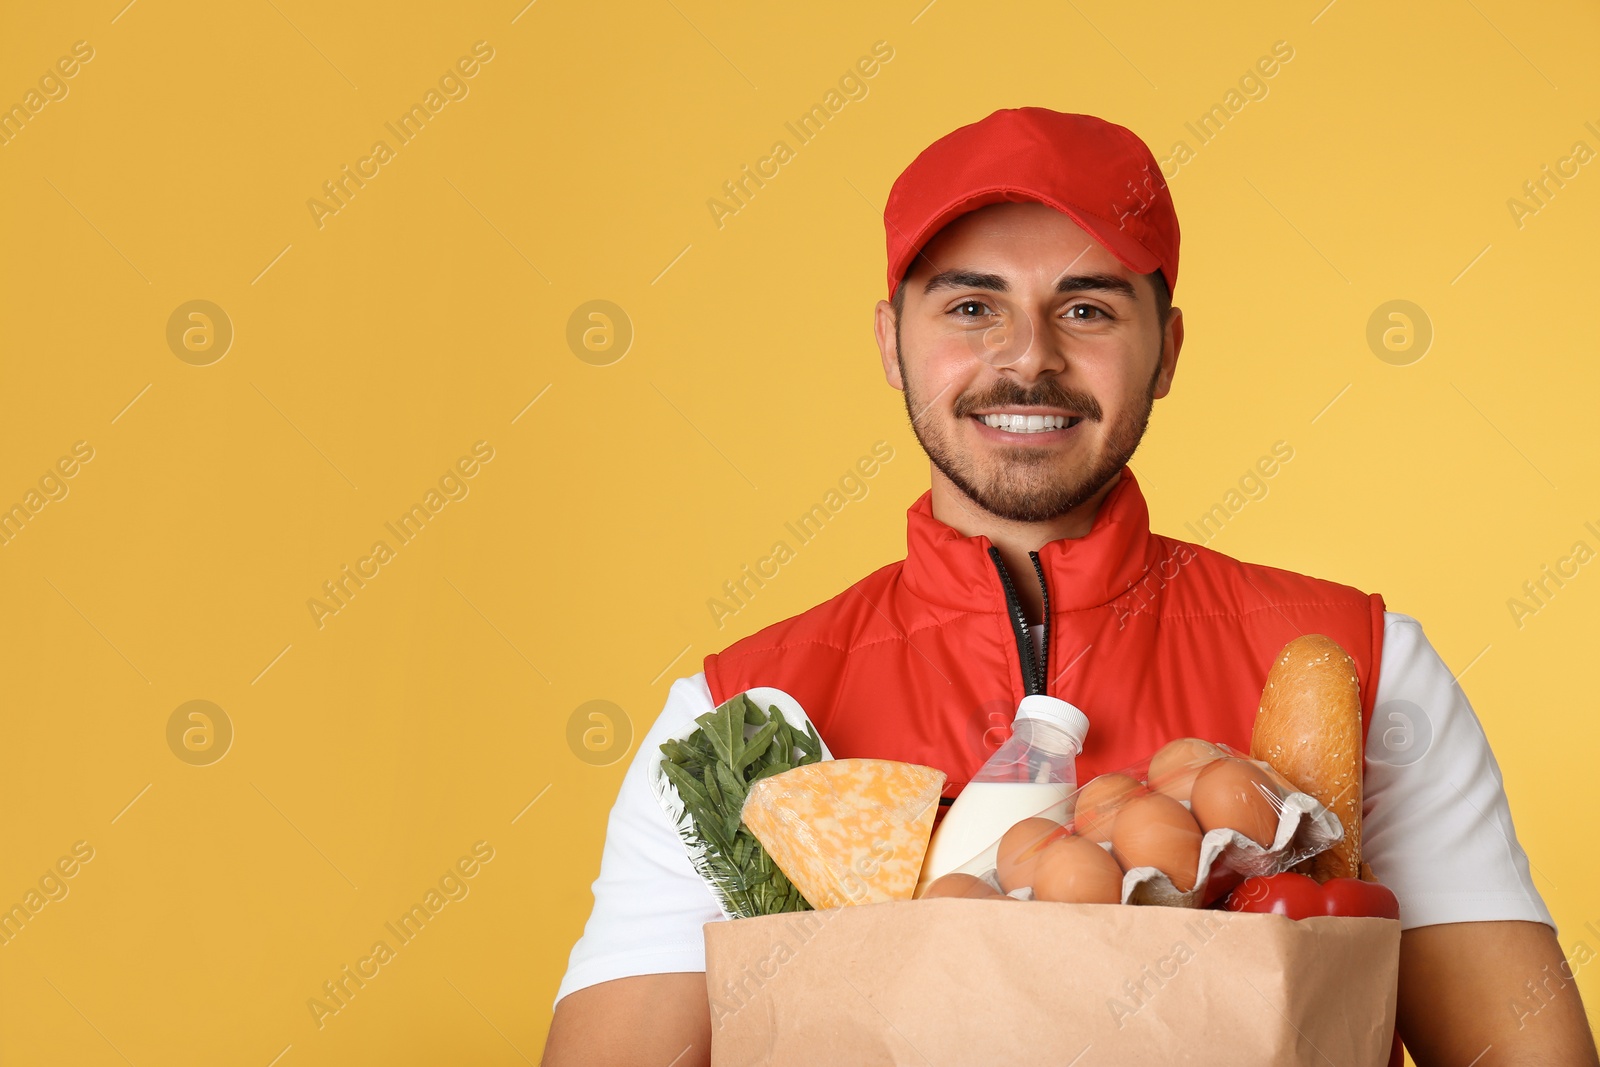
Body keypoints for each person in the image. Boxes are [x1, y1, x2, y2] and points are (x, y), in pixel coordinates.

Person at [542, 108, 1597, 1066]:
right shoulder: (737, 723)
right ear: (889, 345)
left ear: (1167, 348)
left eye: (1085, 308)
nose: (1027, 360)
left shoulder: (1366, 665)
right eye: (969, 305)